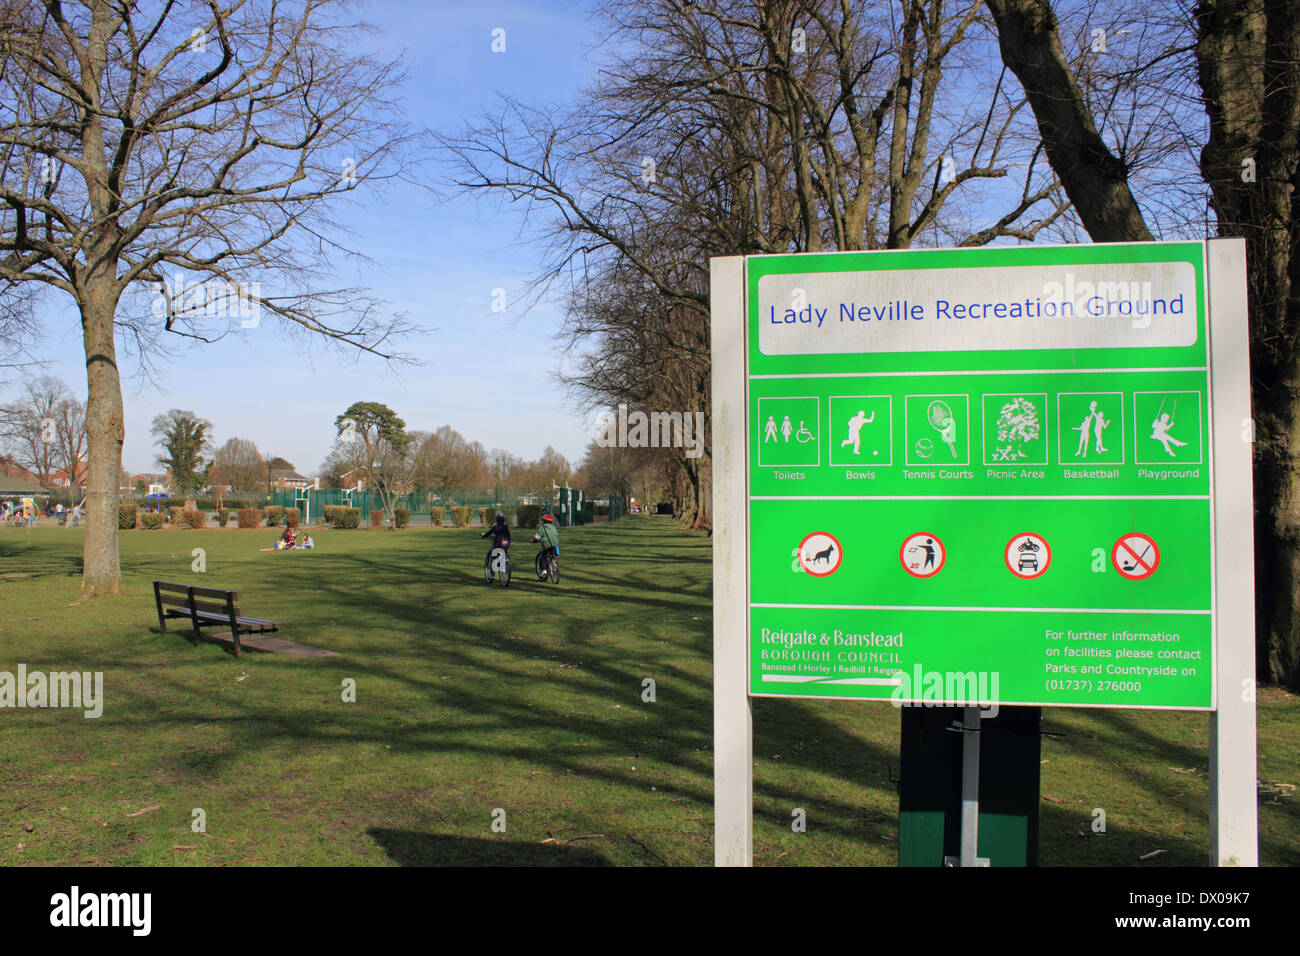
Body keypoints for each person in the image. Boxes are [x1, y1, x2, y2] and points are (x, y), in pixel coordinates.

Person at [532, 512, 560, 579]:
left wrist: (533, 540)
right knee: (553, 554)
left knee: (543, 556)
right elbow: (557, 534)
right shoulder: (554, 527)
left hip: (546, 545)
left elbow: (536, 537)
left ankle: (544, 571)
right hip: (555, 544)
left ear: (544, 521)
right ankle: (554, 563)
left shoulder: (542, 528)